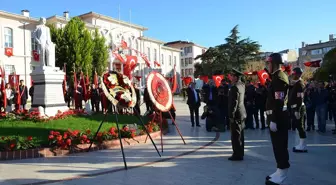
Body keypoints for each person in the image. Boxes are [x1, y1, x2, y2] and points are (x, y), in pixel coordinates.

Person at [264, 53, 290, 185]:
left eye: (269, 63)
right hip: (276, 117)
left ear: (274, 64)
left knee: (280, 145)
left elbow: (279, 101)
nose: (267, 65)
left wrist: (274, 119)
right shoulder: (275, 77)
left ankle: (283, 172)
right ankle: (280, 169)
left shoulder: (279, 78)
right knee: (277, 145)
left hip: (278, 118)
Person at [227, 68, 246, 161]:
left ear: (235, 77)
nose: (230, 77)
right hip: (242, 112)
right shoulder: (242, 85)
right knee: (240, 134)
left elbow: (234, 103)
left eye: (232, 76)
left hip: (236, 114)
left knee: (235, 135)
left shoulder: (234, 87)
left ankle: (237, 154)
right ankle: (240, 152)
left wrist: (231, 115)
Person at [288, 67, 307, 153]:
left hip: (298, 108)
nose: (293, 75)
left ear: (298, 74)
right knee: (298, 125)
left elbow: (300, 98)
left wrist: (297, 110)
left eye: (294, 74)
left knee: (300, 126)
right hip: (295, 107)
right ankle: (301, 143)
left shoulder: (300, 84)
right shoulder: (296, 83)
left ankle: (302, 145)